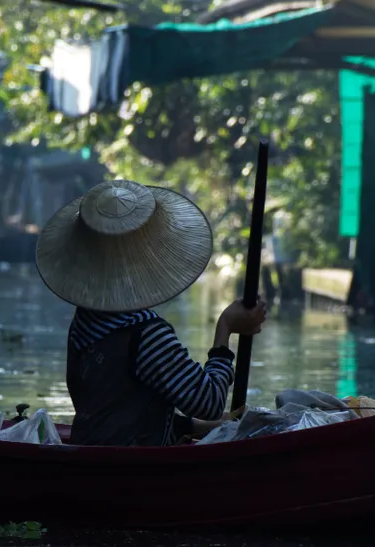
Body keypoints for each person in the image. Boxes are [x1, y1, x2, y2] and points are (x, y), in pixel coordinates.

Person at [36, 180, 267, 446]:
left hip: (94, 452)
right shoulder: (146, 334)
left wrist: (217, 425)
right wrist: (226, 327)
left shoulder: (86, 319)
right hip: (133, 469)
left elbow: (130, 411)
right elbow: (210, 402)